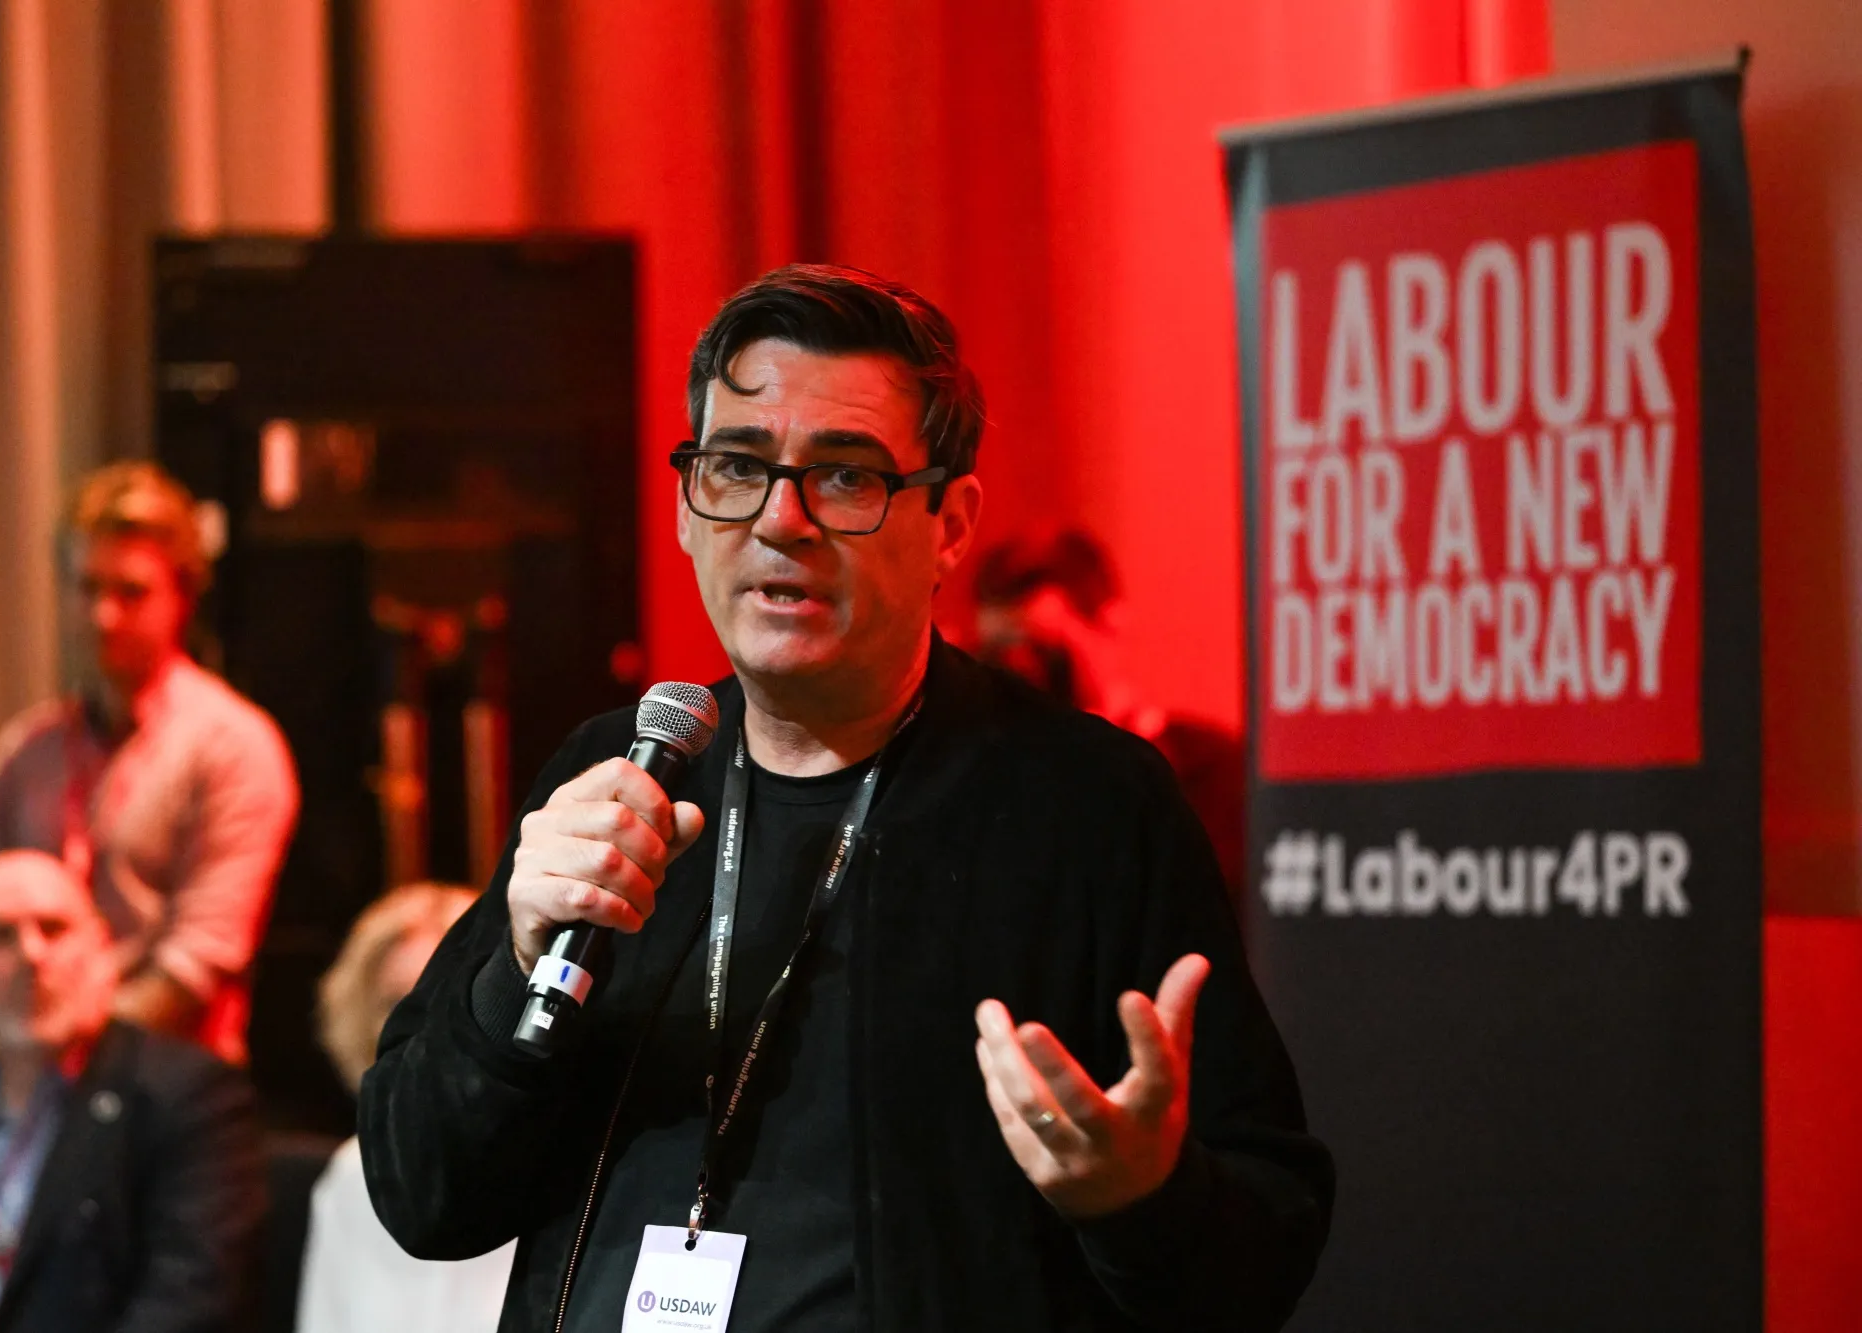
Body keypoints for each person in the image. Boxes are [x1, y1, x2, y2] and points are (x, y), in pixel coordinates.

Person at [359, 265, 1333, 1331]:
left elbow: (1264, 1240)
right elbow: (423, 1194)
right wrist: (515, 965)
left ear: (951, 522)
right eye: (738, 466)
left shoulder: (1084, 806)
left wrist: (1138, 1198)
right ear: (686, 505)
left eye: (845, 477)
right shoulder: (620, 774)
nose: (781, 520)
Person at [0, 851, 264, 1333]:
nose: (31, 955)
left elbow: (189, 1307)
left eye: (54, 930)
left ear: (102, 947)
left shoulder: (187, 1101)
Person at [0, 461, 299, 1065]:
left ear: (183, 597)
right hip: (39, 1078)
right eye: (87, 588)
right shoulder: (23, 755)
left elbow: (195, 969)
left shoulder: (233, 747)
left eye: (131, 592)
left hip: (171, 1089)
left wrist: (62, 1042)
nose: (104, 616)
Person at [970, 527, 1248, 900]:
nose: (1023, 674)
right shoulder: (981, 782)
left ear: (1110, 625)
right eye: (999, 655)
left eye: (1044, 651)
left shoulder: (1212, 774)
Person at [296, 883, 514, 1333]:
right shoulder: (352, 1173)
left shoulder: (551, 1167)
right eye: (396, 1004)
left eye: (445, 999)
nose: (417, 1027)